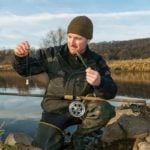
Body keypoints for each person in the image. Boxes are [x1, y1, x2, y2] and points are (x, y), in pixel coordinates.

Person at [13, 16, 117, 150]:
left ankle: (79, 137)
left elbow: (111, 92)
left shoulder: (96, 60)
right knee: (44, 146)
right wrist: (20, 58)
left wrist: (100, 82)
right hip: (54, 111)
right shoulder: (51, 54)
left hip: (81, 110)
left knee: (104, 108)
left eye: (78, 38)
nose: (72, 42)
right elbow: (25, 70)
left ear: (88, 39)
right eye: (69, 36)